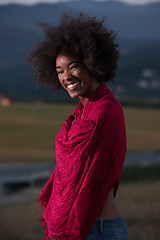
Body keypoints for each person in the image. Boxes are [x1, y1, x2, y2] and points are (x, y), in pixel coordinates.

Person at [27, 13, 128, 240]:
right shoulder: (81, 113)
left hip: (97, 230)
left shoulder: (105, 110)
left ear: (92, 62)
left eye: (73, 67)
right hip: (87, 229)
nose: (66, 77)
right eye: (60, 71)